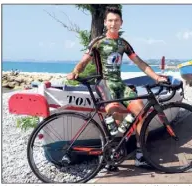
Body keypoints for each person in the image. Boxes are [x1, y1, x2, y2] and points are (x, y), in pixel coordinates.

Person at [67, 6, 167, 170]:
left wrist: (156, 77)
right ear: (105, 23)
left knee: (141, 112)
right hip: (104, 83)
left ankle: (140, 156)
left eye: (117, 21)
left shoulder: (123, 44)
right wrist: (76, 71)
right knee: (116, 115)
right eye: (110, 20)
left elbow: (139, 62)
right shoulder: (98, 42)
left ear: (121, 23)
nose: (113, 23)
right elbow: (84, 60)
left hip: (119, 84)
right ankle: (111, 155)